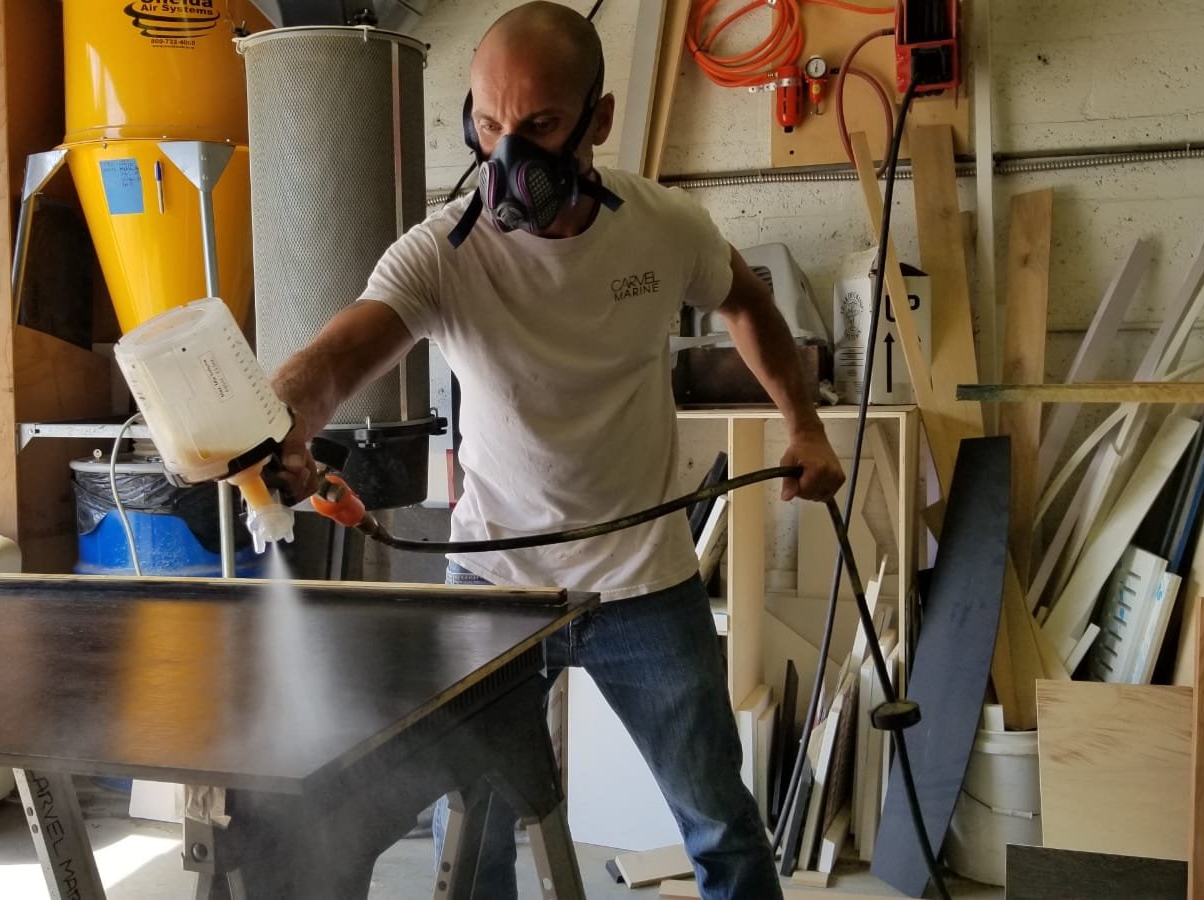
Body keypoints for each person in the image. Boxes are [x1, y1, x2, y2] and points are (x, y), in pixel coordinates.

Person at [269, 3, 844, 897]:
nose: (508, 156)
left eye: (538, 126)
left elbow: (748, 305)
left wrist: (802, 427)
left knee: (720, 825)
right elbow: (344, 352)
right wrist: (282, 428)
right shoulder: (445, 253)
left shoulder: (664, 227)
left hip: (643, 583)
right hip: (496, 589)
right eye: (488, 125)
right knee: (477, 835)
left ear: (598, 122)